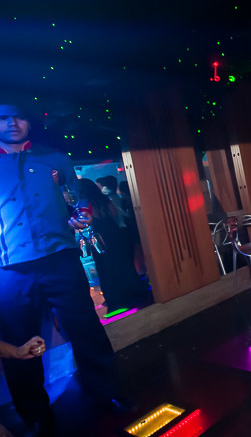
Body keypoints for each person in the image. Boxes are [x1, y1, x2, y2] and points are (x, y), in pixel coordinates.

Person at [0, 101, 130, 436]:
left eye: (19, 117)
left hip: (60, 258)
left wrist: (82, 214)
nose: (12, 123)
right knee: (20, 341)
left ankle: (108, 392)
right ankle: (35, 414)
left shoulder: (55, 158)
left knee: (86, 328)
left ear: (28, 122)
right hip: (10, 269)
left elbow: (78, 198)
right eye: (3, 118)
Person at [77, 179, 145, 310]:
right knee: (124, 263)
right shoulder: (103, 198)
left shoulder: (84, 204)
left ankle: (116, 298)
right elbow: (115, 213)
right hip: (114, 233)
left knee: (106, 268)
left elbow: (85, 222)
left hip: (99, 237)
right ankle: (135, 293)